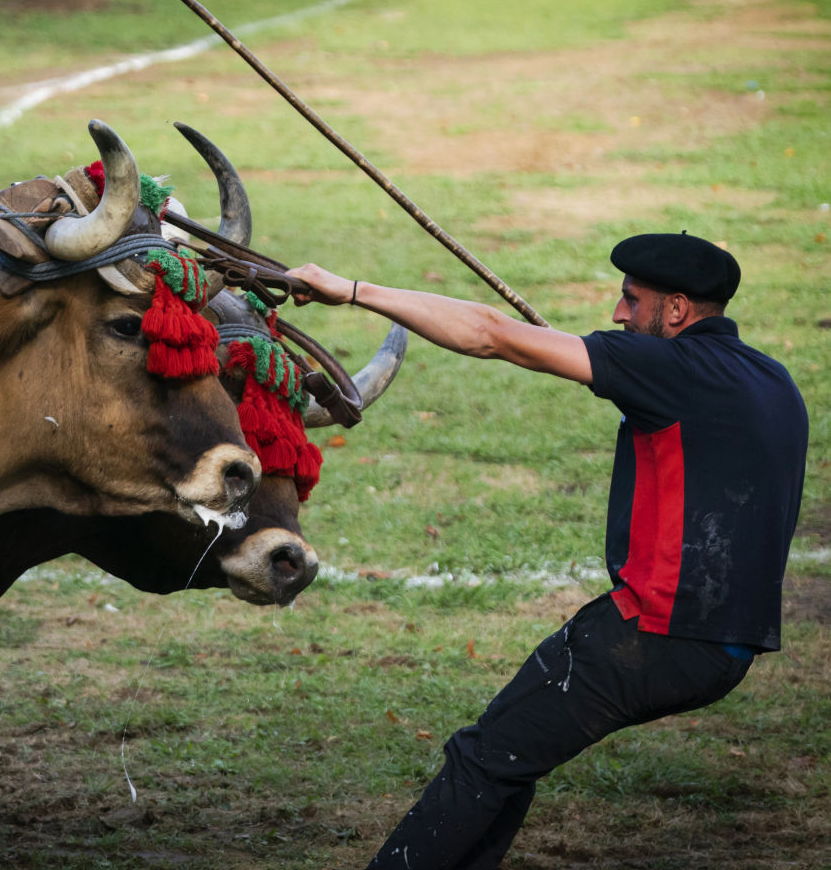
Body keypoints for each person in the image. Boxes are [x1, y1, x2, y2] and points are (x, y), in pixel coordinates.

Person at [286, 232, 809, 870]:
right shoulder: (770, 377)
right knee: (509, 756)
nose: (617, 314)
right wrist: (607, 366)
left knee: (483, 758)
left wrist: (353, 291)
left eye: (630, 300)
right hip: (727, 648)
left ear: (676, 311)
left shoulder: (668, 370)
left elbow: (488, 332)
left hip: (653, 635)